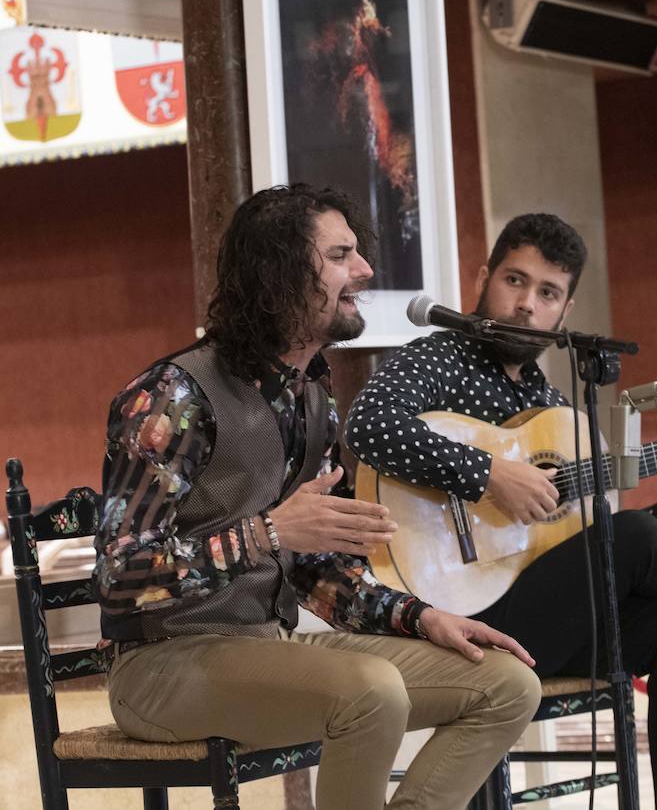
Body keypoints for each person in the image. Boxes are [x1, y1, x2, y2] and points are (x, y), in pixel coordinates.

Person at [347, 213, 657, 809]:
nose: (526, 305)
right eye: (514, 281)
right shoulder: (438, 359)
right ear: (484, 277)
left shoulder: (554, 408)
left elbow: (600, 553)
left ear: (566, 310)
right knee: (633, 535)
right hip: (455, 617)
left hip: (541, 619)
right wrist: (491, 474)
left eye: (547, 292)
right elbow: (369, 426)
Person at [93, 184, 541, 810]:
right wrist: (263, 534)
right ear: (279, 274)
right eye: (341, 256)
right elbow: (119, 577)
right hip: (160, 666)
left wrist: (420, 618)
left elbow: (317, 574)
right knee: (372, 691)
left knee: (507, 684)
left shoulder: (312, 398)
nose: (364, 271)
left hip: (269, 647)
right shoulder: (172, 396)